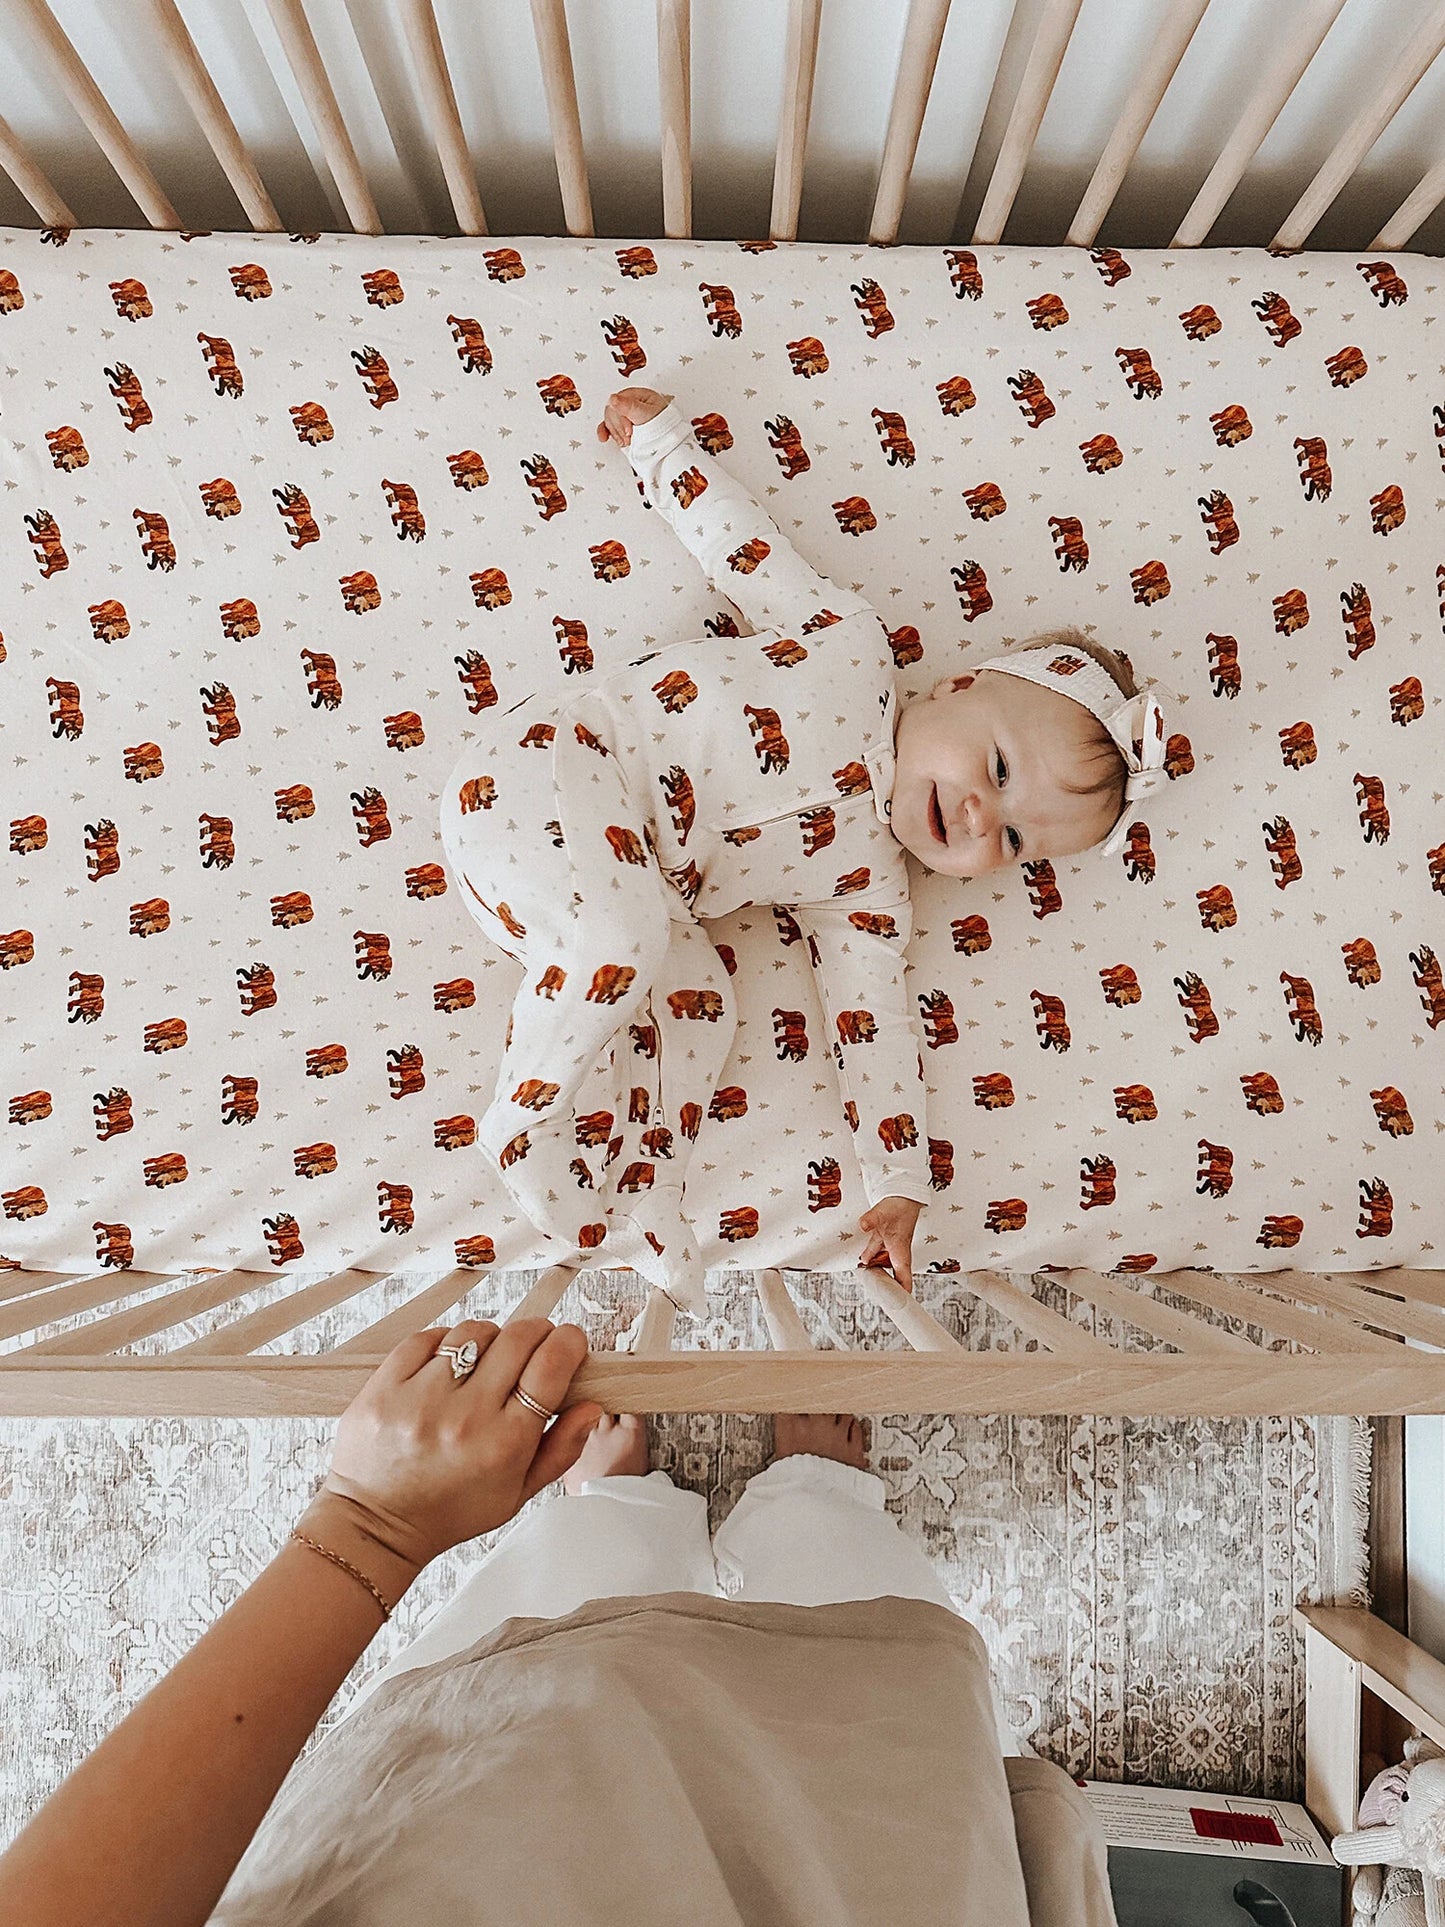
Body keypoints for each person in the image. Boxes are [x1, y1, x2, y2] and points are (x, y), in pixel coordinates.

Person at [0, 1315, 1118, 1926]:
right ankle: (807, 1498)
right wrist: (364, 1528)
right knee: (863, 1698)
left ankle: (629, 1511)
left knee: (548, 1661)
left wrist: (374, 1528)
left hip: (487, 1838)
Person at [439, 387, 1170, 1317]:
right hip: (550, 769)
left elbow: (875, 1035)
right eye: (994, 767)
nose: (984, 819)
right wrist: (664, 447)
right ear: (953, 685)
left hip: (607, 891)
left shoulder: (868, 890)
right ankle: (520, 1124)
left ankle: (654, 1194)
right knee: (624, 938)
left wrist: (897, 1184)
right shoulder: (845, 645)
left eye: (1018, 841)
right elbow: (743, 549)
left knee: (704, 1008)